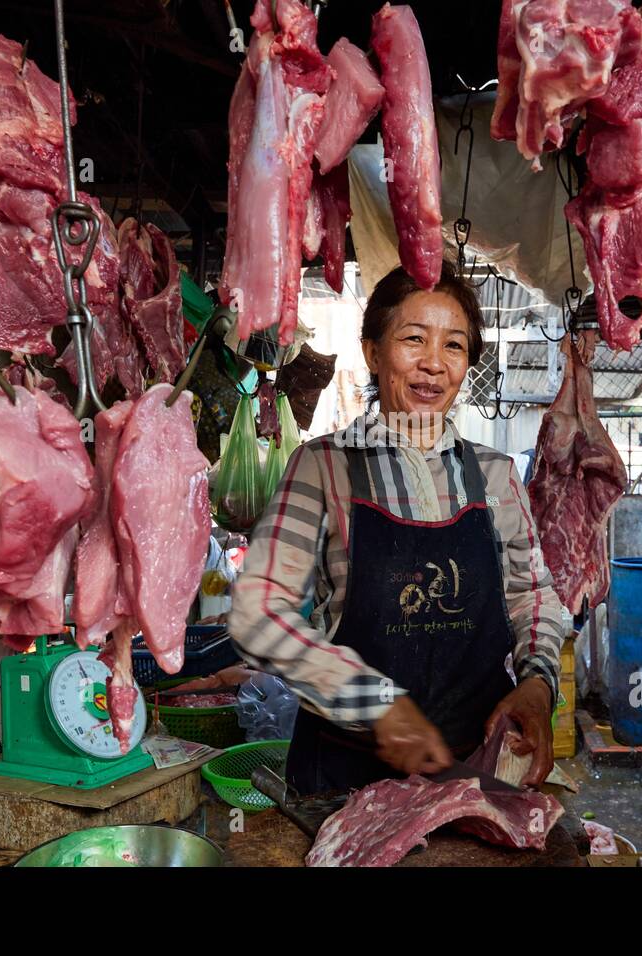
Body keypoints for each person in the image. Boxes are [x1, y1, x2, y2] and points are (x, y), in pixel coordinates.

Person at [229, 261, 565, 793]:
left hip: (473, 774)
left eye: (454, 346)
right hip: (345, 778)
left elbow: (532, 595)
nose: (434, 364)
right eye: (414, 339)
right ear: (373, 352)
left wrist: (538, 685)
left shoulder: (495, 474)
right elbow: (257, 614)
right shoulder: (324, 467)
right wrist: (371, 702)